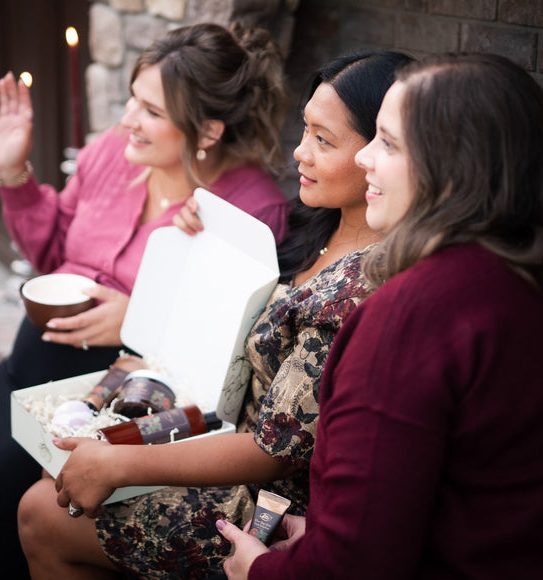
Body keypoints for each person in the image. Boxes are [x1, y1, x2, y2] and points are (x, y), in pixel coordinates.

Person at [16, 51, 413, 579]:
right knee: (56, 472)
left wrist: (121, 462)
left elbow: (276, 451)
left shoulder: (362, 285)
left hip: (266, 496)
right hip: (214, 423)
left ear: (382, 153)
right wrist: (200, 243)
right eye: (305, 130)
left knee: (41, 513)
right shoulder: (305, 226)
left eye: (324, 140)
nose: (299, 153)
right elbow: (227, 320)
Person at [0, 22, 291, 580]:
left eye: (150, 112)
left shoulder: (248, 213)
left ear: (207, 129)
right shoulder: (113, 155)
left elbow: (226, 366)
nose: (125, 122)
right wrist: (12, 169)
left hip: (109, 402)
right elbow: (49, 248)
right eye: (131, 101)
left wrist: (138, 319)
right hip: (28, 376)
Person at [218, 52, 543, 580]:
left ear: (454, 166)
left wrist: (262, 571)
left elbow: (354, 565)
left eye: (387, 143)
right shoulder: (515, 278)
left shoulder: (407, 316)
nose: (365, 158)